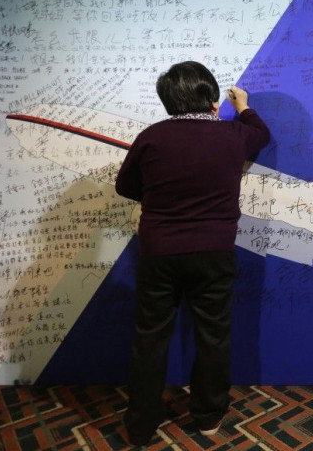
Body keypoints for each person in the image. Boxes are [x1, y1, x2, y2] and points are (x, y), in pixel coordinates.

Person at [115, 61, 270, 446]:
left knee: (150, 338)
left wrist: (161, 201)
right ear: (211, 99)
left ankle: (140, 425)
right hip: (214, 252)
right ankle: (208, 418)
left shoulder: (151, 137)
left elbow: (126, 186)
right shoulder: (234, 134)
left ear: (168, 101)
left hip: (159, 251)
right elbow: (261, 133)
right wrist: (244, 105)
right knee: (213, 336)